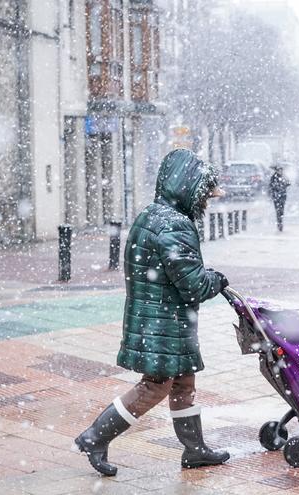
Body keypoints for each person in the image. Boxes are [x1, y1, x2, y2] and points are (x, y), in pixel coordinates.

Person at [74, 149, 230, 476]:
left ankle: (195, 449)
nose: (207, 203)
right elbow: (193, 285)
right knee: (155, 386)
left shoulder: (151, 215)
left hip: (158, 319)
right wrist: (216, 280)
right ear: (190, 190)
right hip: (164, 323)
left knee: (184, 383)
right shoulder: (176, 225)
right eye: (205, 195)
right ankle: (95, 436)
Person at [269, 165, 290, 232]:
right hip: (276, 196)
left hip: (282, 196)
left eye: (281, 170)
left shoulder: (284, 176)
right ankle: (279, 223)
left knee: (281, 210)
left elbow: (288, 183)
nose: (280, 171)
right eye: (279, 170)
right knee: (278, 210)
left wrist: (284, 185)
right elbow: (271, 186)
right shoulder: (273, 177)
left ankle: (280, 223)